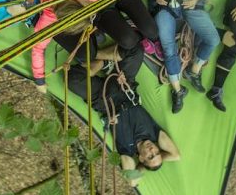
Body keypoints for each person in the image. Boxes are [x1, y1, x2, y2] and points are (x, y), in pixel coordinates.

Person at [67, 44, 180, 186]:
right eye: (157, 152)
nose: (153, 150)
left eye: (150, 156)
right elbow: (176, 155)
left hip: (103, 101)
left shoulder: (127, 151)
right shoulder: (154, 134)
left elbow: (132, 182)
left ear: (141, 159)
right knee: (135, 49)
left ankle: (104, 63)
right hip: (124, 87)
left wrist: (142, 166)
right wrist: (155, 159)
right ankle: (103, 61)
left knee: (72, 79)